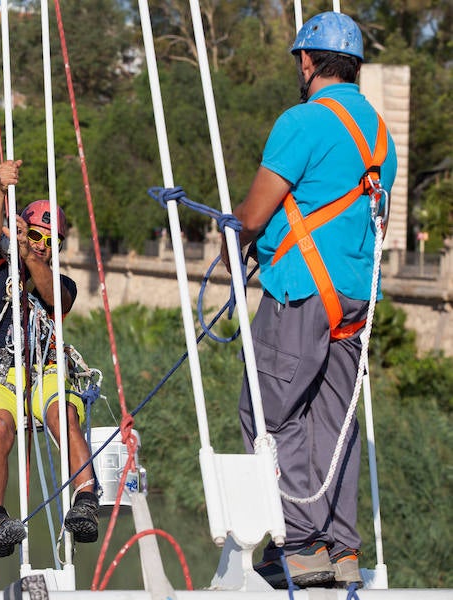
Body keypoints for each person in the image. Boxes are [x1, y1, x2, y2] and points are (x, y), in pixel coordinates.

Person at [219, 12, 397, 590]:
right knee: (333, 421)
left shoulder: (302, 122)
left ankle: (299, 544)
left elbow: (252, 214)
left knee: (270, 415)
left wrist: (234, 246)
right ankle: (340, 547)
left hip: (300, 292)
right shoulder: (378, 133)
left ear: (307, 61)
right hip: (353, 300)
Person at [0, 159, 98, 558]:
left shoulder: (59, 282)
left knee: (63, 414)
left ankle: (86, 501)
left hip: (46, 370)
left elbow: (55, 300)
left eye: (50, 240)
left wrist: (31, 255)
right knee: (0, 428)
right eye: (34, 234)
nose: (41, 243)